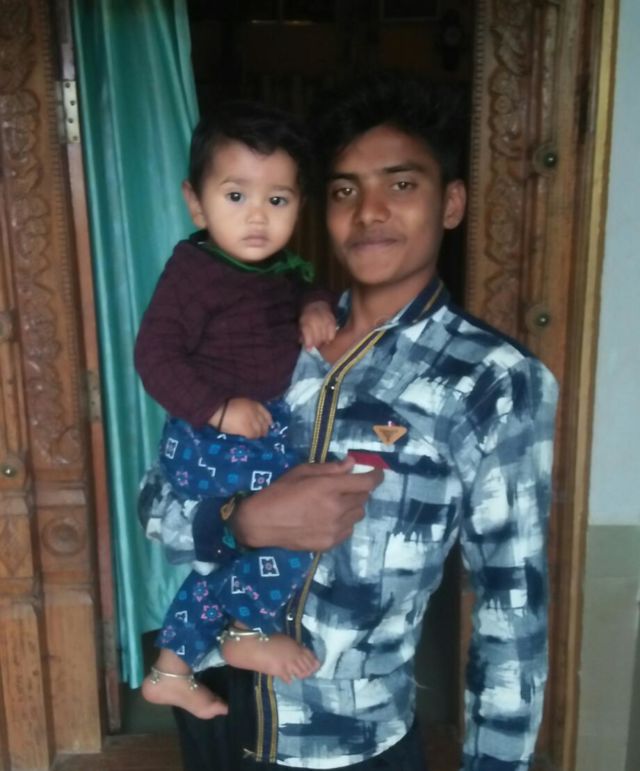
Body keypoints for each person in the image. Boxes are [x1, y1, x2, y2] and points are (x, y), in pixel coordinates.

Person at [139, 74, 558, 770]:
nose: (369, 211)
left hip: (348, 740)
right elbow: (155, 502)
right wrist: (242, 520)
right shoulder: (266, 335)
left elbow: (512, 611)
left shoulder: (490, 381)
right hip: (214, 703)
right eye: (343, 191)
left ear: (451, 202)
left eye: (402, 184)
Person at [134, 101, 338, 720]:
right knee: (301, 519)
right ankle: (244, 633)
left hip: (248, 443)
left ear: (299, 206)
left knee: (230, 559)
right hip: (210, 443)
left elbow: (303, 285)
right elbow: (153, 356)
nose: (257, 215)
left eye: (277, 200)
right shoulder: (194, 273)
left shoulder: (277, 270)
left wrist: (314, 305)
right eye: (235, 196)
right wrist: (219, 409)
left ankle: (171, 670)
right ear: (196, 204)